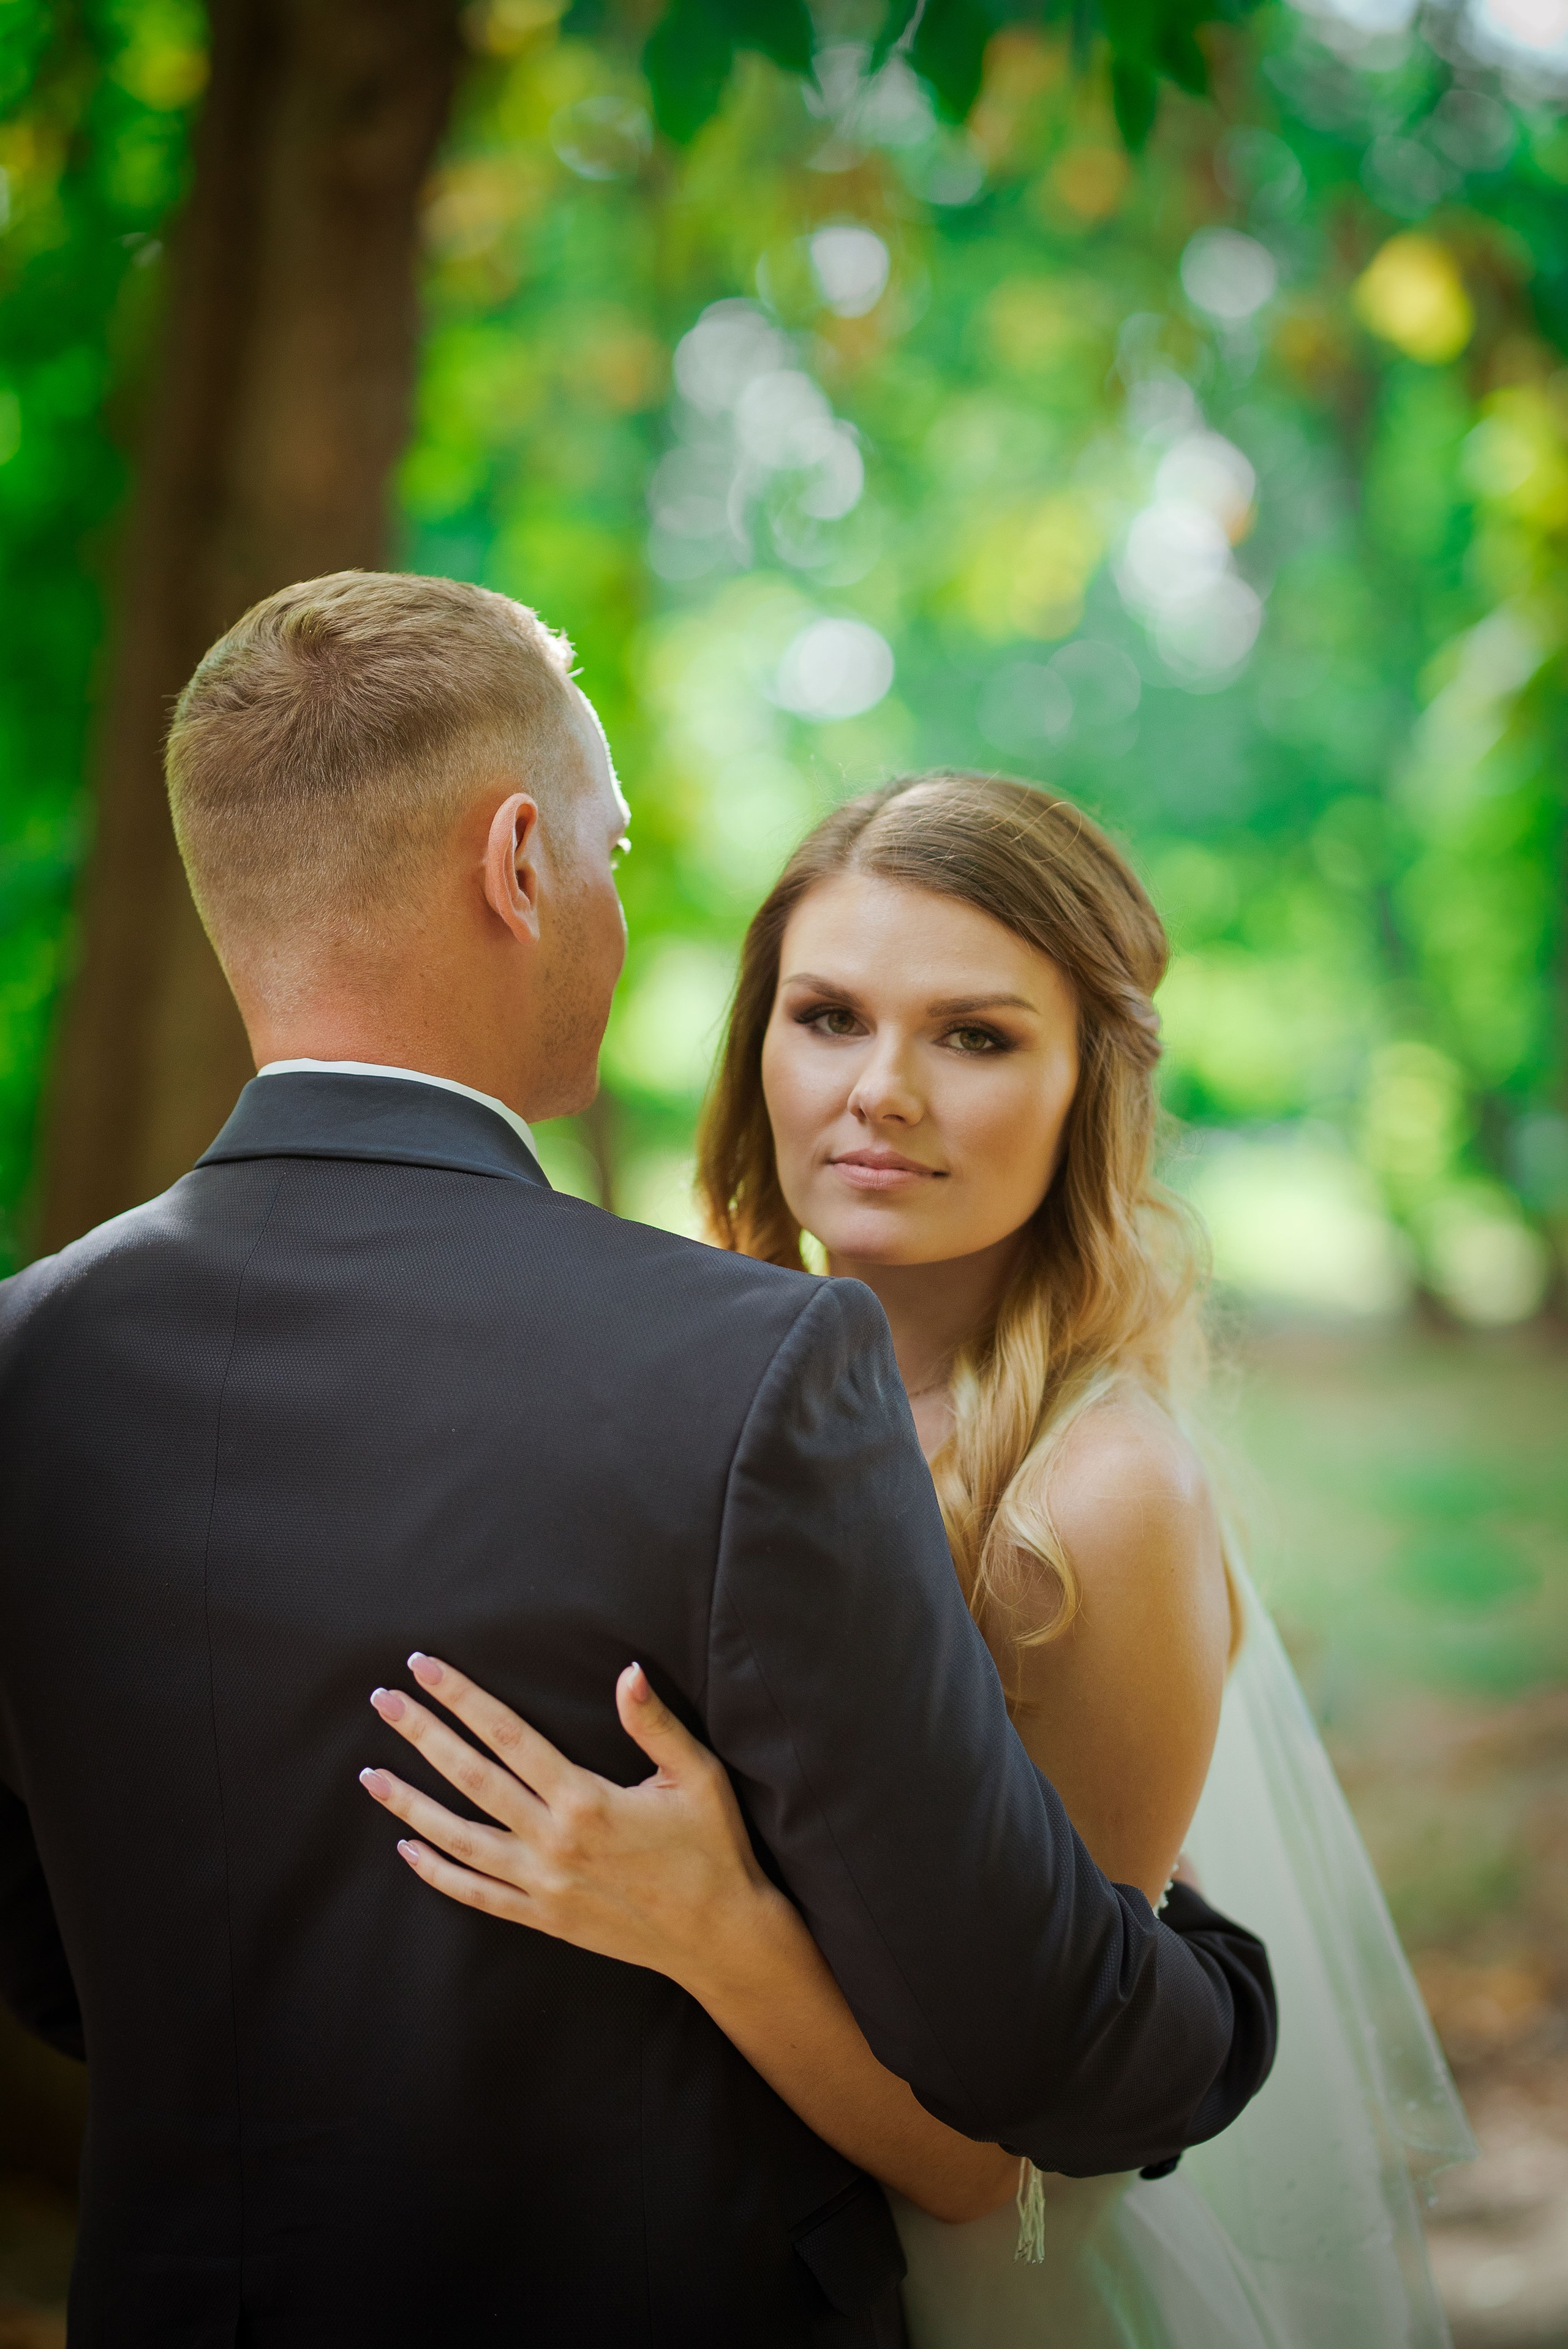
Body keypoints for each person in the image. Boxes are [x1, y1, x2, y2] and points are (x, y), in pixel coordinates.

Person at [0, 574, 1276, 2347]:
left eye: (971, 1034)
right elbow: (1034, 2049)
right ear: (520, 864)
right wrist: (1225, 1990)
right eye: (605, 846)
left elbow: (58, 1953)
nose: (879, 1089)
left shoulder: (25, 1357)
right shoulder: (749, 1375)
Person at [360, 771, 1474, 2347]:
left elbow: (1009, 2164)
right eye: (827, 1016)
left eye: (973, 1034)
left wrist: (715, 1932)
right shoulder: (666, 1387)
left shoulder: (1095, 1503)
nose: (880, 1087)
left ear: (1091, 1084)